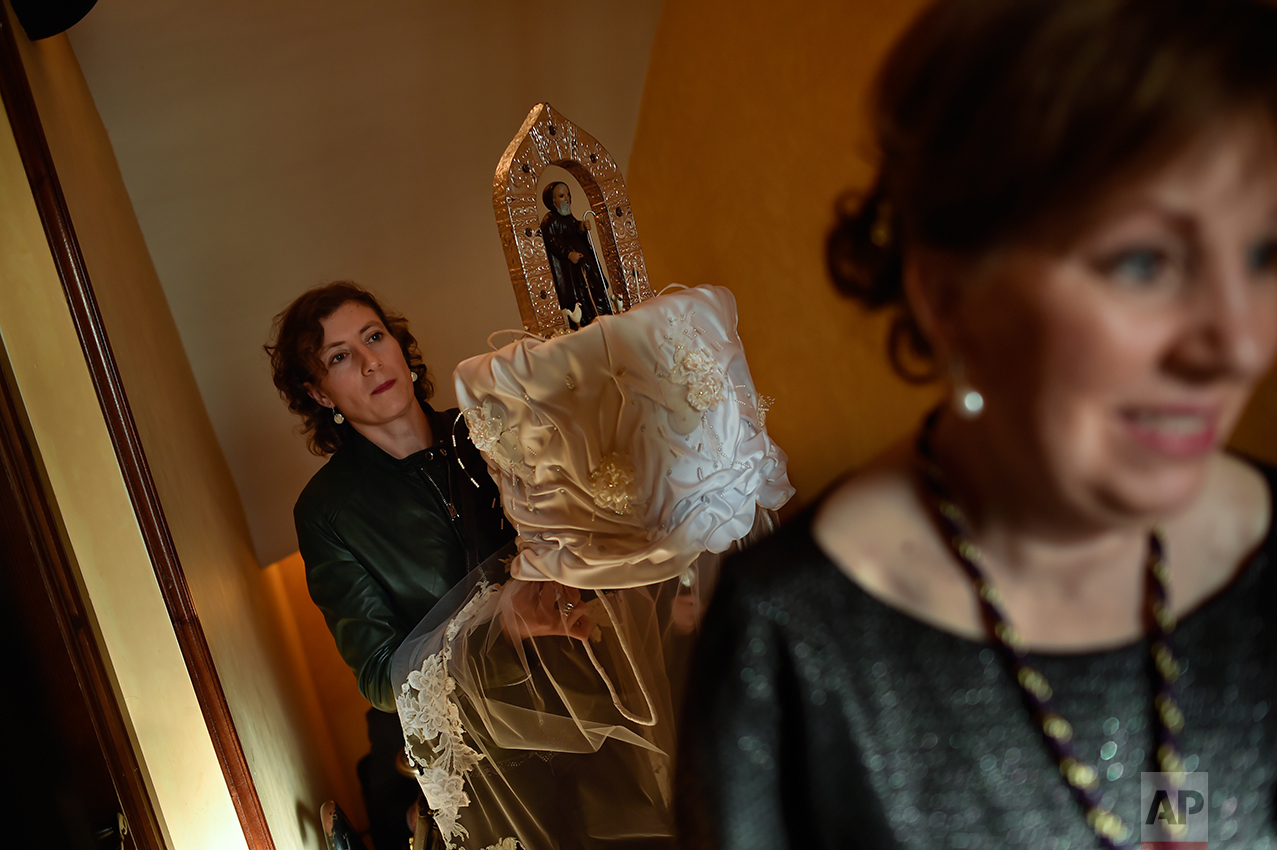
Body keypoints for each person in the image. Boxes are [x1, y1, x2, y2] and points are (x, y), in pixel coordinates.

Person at [678, 1, 1277, 848]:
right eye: (1144, 261)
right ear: (949, 298)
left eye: (1263, 254)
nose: (1242, 343)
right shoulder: (794, 648)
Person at [266, 281, 517, 850]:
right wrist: (506, 627)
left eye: (374, 336)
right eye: (339, 357)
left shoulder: (488, 428)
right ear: (321, 393)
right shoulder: (327, 511)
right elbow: (381, 674)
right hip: (472, 734)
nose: (370, 360)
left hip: (574, 679)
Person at [540, 181, 613, 327]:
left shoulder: (568, 216)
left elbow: (573, 229)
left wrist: (581, 227)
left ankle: (604, 312)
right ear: (552, 200)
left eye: (568, 194)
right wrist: (568, 254)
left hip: (583, 259)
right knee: (579, 292)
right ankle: (585, 319)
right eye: (562, 196)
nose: (567, 198)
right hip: (570, 268)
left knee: (594, 281)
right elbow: (551, 242)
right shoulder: (550, 221)